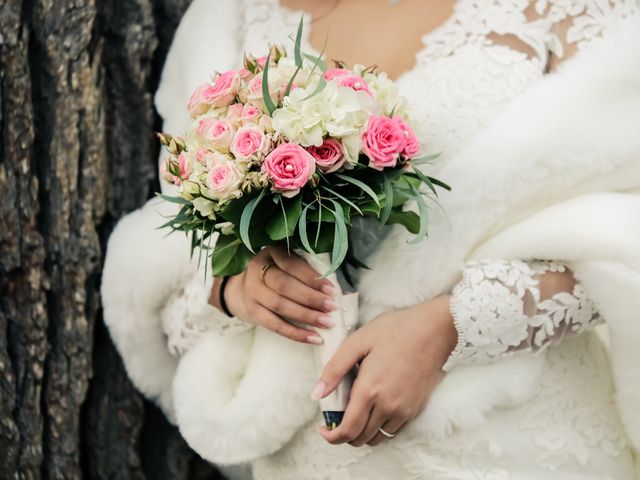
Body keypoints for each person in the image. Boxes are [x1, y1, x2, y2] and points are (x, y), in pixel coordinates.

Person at [101, 1, 640, 478]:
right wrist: (231, 286)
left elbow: (625, 230)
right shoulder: (231, 16)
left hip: (516, 442)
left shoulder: (576, 9)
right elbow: (187, 228)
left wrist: (453, 326)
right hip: (309, 456)